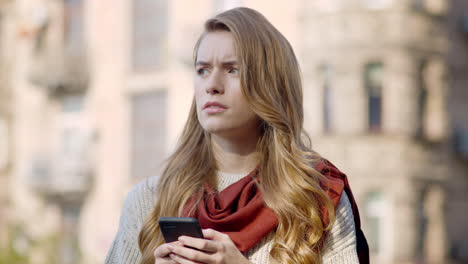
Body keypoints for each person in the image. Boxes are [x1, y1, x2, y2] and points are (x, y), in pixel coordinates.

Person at [105, 7, 369, 264]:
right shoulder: (149, 200)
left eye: (232, 69)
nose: (212, 85)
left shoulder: (316, 197)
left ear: (270, 85)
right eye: (202, 70)